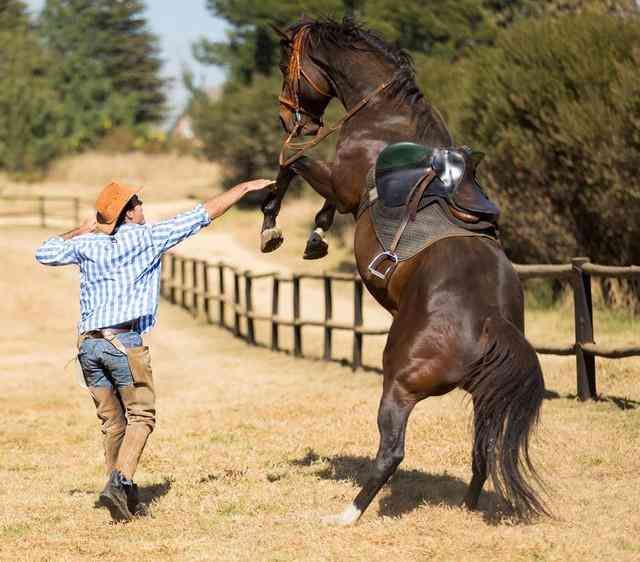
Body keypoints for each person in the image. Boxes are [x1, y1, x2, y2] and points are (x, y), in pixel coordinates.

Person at [35, 178, 274, 522]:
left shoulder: (87, 244)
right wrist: (242, 189)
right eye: (139, 204)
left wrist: (84, 229)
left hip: (89, 347)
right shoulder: (148, 237)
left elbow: (44, 252)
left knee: (112, 423)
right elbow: (202, 215)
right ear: (129, 213)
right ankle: (119, 483)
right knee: (142, 417)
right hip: (123, 345)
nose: (143, 209)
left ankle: (122, 496)